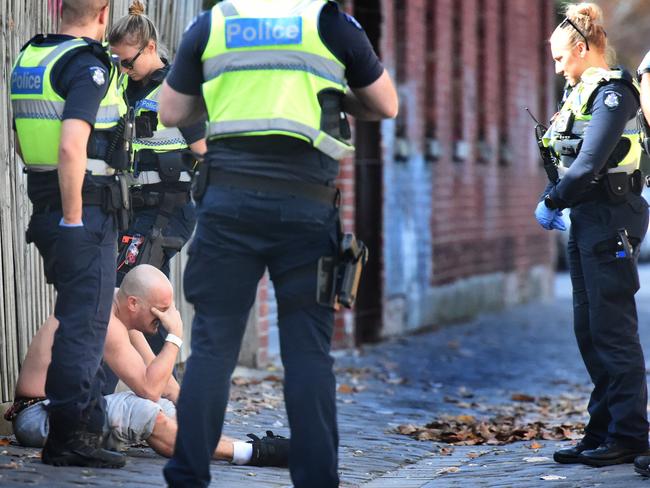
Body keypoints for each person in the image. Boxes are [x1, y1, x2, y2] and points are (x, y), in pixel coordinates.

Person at [157, 1, 398, 487]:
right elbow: (386, 104)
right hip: (306, 209)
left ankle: (186, 478)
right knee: (308, 353)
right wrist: (337, 96)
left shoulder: (213, 24)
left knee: (212, 348)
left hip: (228, 204)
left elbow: (171, 111)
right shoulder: (330, 22)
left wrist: (222, 94)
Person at [4, 265, 289, 468]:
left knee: (167, 411)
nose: (166, 318)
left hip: (74, 413)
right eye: (160, 311)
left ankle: (245, 446)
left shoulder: (118, 307)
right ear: (133, 303)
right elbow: (150, 390)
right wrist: (175, 337)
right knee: (146, 409)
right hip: (39, 417)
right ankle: (251, 453)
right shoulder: (102, 318)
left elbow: (164, 384)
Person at [10, 0, 130, 468]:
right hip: (82, 213)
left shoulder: (32, 57)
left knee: (76, 317)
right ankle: (70, 438)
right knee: (85, 326)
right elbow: (70, 142)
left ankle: (89, 426)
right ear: (103, 12)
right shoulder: (86, 63)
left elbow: (23, 140)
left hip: (46, 204)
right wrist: (76, 217)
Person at [534, 3, 649, 467]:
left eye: (561, 58)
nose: (557, 66)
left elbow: (589, 163)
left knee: (612, 330)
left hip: (611, 216)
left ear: (581, 49)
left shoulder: (614, 94)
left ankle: (630, 435)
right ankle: (601, 431)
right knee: (589, 330)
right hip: (587, 218)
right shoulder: (578, 93)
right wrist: (559, 194)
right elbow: (565, 156)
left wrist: (553, 199)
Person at [107, 0, 205, 362]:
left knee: (130, 298)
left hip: (169, 209)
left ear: (150, 47)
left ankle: (153, 389)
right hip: (133, 208)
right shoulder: (121, 88)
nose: (122, 67)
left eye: (128, 60)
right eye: (117, 60)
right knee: (146, 303)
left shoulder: (176, 91)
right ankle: (161, 390)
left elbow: (205, 150)